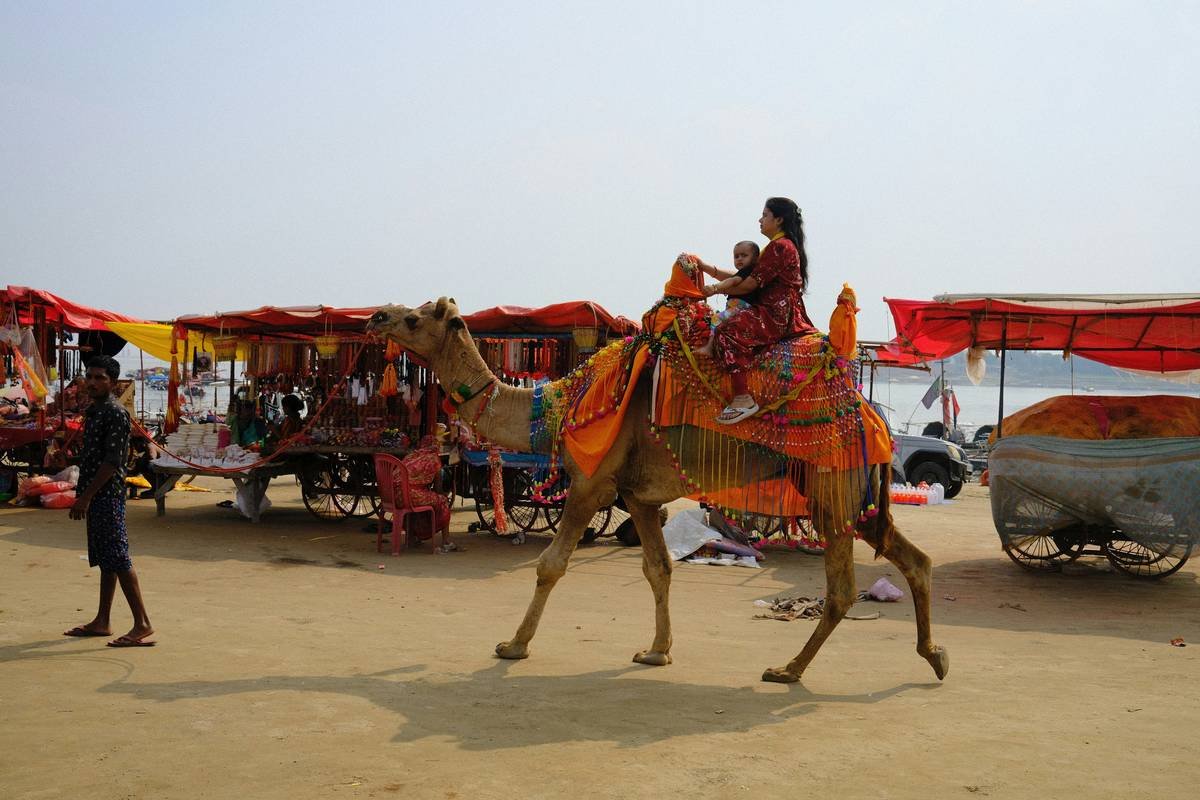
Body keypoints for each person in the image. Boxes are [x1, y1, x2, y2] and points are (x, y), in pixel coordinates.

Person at [691, 197, 815, 424]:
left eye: (765, 215)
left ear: (778, 220)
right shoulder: (778, 246)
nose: (760, 220)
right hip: (771, 309)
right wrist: (707, 268)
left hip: (774, 314)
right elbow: (742, 277)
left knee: (728, 331)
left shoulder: (780, 247)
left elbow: (748, 284)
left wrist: (714, 289)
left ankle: (743, 398)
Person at [64, 355, 155, 648]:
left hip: (106, 495)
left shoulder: (115, 413)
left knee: (117, 556)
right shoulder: (96, 411)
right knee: (106, 559)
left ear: (113, 382)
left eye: (99, 377)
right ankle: (102, 620)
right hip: (95, 493)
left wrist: (86, 497)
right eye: (89, 376)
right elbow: (95, 456)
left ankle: (142, 623)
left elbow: (113, 461)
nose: (92, 382)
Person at [692, 240, 760, 353]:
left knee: (716, 318)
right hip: (736, 308)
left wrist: (715, 288)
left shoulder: (748, 271)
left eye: (744, 255)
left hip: (742, 308)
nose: (739, 259)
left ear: (755, 258)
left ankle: (709, 347)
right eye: (736, 256)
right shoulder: (744, 272)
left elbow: (732, 280)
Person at [398, 434, 455, 552]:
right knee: (443, 500)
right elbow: (438, 489)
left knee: (419, 498)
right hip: (410, 495)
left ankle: (411, 537)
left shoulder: (411, 455)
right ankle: (446, 541)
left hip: (393, 496)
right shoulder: (434, 459)